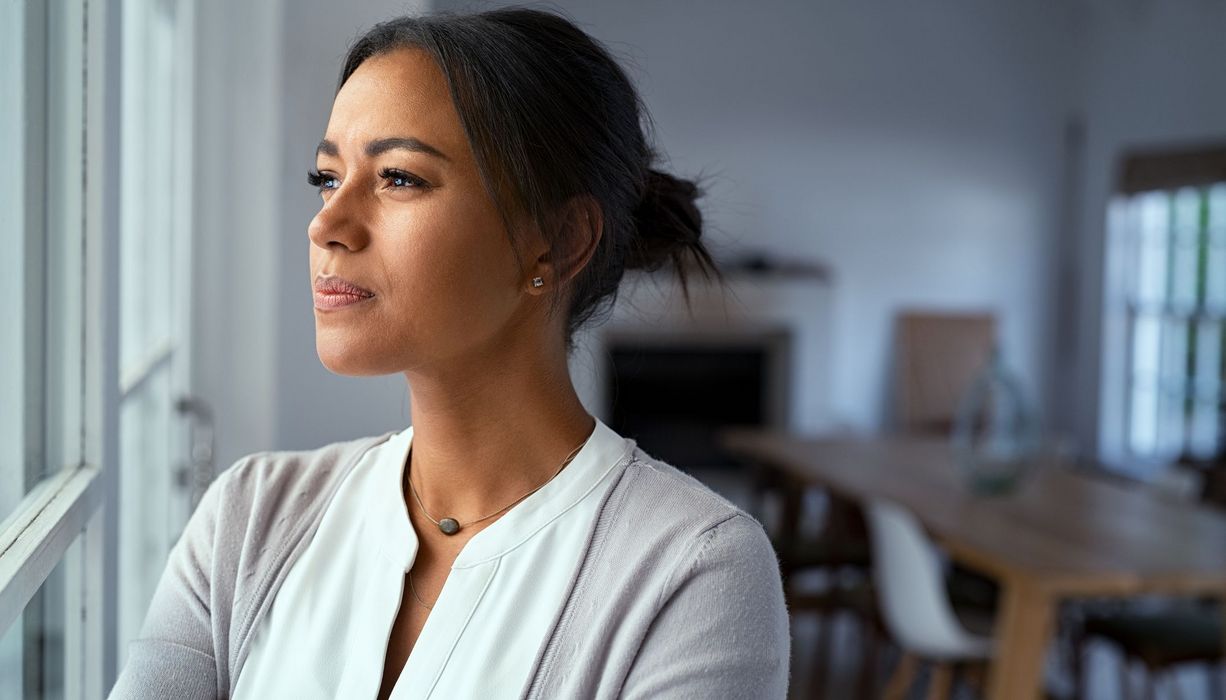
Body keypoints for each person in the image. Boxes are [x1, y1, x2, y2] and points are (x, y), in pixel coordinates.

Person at [109, 6, 789, 699]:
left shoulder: (694, 573)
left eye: (399, 177)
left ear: (556, 241)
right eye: (326, 177)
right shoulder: (250, 519)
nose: (327, 224)